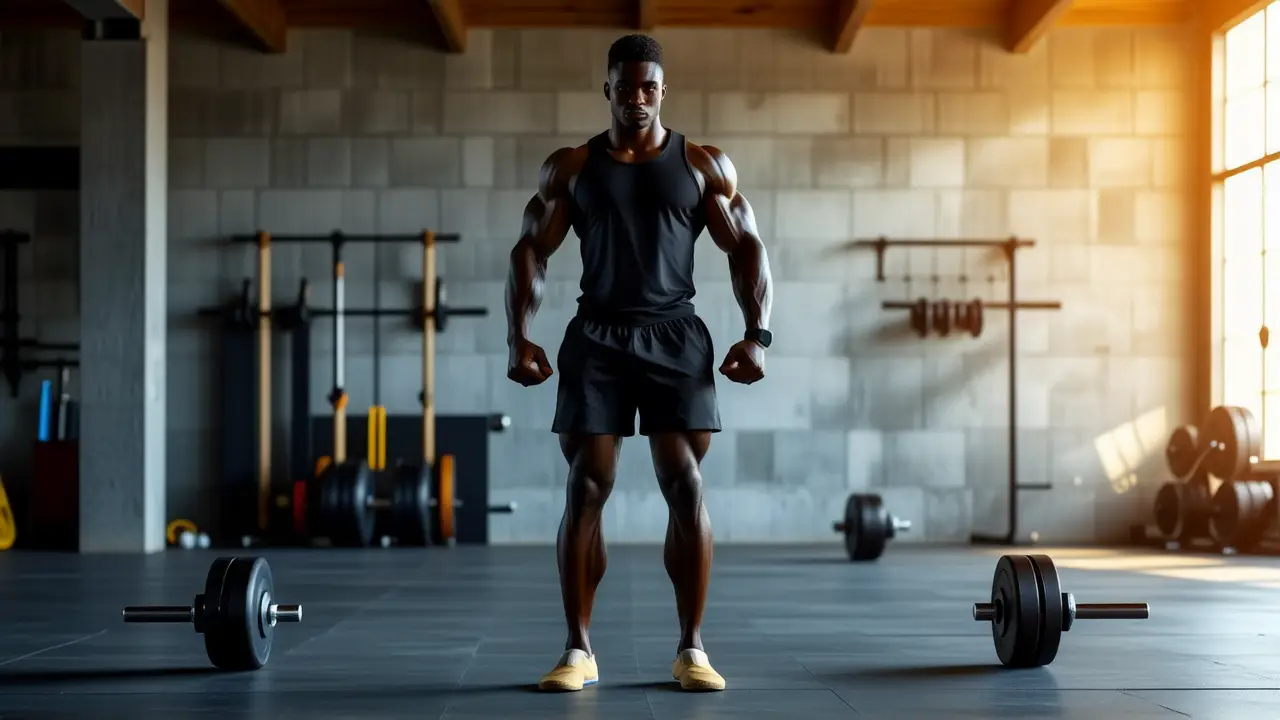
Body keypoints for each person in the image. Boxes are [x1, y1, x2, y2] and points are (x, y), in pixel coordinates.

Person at [504, 33, 774, 693]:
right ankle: (578, 649)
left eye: (648, 86)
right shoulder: (572, 167)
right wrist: (519, 337)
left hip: (675, 338)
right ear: (608, 89)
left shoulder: (702, 164)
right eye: (624, 86)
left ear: (662, 90)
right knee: (586, 485)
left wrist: (757, 335)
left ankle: (692, 648)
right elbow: (531, 249)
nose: (637, 97)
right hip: (597, 337)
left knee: (685, 484)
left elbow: (747, 246)